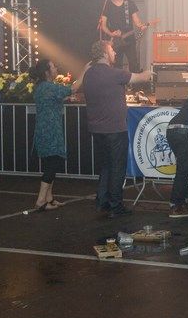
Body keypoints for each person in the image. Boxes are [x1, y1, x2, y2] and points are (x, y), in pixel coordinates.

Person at [81, 40, 152, 217]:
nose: (114, 53)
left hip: (96, 129)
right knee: (117, 168)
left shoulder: (89, 74)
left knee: (106, 166)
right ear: (105, 54)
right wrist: (149, 72)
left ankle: (102, 202)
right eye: (112, 50)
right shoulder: (114, 73)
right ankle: (115, 206)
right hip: (114, 128)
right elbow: (140, 78)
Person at [29, 58, 81, 211]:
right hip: (50, 129)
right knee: (53, 163)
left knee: (49, 163)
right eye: (53, 67)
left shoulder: (42, 87)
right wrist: (85, 72)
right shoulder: (48, 87)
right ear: (47, 72)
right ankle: (41, 200)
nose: (56, 68)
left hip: (44, 129)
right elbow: (72, 89)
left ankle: (48, 198)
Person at [98, 0, 151, 73]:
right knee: (116, 64)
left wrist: (141, 26)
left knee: (133, 63)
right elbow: (103, 25)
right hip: (115, 40)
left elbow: (137, 21)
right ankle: (119, 82)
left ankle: (135, 81)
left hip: (129, 38)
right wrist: (111, 34)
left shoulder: (129, 3)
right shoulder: (107, 5)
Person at [165, 93, 188, 219]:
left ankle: (184, 200)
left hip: (172, 128)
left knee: (184, 167)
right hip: (186, 130)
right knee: (184, 169)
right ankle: (176, 204)